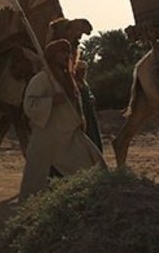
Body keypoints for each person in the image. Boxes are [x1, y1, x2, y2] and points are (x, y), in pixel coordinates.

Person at [19, 39, 106, 201]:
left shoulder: (69, 79)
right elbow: (29, 105)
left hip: (70, 134)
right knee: (39, 182)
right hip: (48, 138)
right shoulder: (41, 79)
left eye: (67, 52)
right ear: (52, 56)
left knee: (94, 167)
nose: (66, 55)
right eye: (61, 52)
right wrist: (51, 101)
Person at [74, 60, 103, 152]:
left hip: (89, 113)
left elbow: (88, 94)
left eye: (84, 71)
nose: (82, 73)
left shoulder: (84, 83)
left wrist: (91, 98)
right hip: (80, 113)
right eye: (80, 71)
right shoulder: (74, 84)